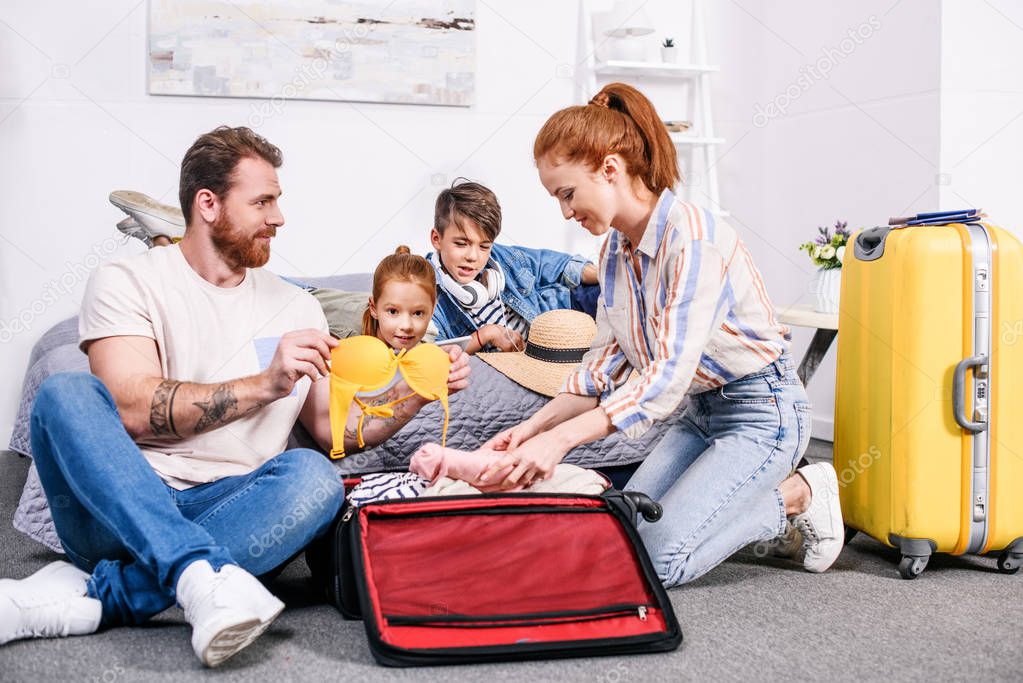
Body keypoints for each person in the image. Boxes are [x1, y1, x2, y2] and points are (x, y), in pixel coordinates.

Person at [0, 126, 470, 665]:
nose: (279, 218)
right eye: (263, 201)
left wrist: (414, 394)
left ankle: (117, 593)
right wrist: (266, 384)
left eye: (278, 201)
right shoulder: (126, 280)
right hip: (119, 511)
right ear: (208, 204)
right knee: (65, 392)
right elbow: (132, 410)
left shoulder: (297, 308)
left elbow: (335, 436)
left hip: (232, 509)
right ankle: (198, 574)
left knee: (316, 477)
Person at [479, 83, 844, 587]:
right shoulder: (613, 255)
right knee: (623, 535)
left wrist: (561, 442)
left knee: (658, 564)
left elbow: (667, 374)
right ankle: (744, 503)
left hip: (762, 412)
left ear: (610, 169)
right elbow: (605, 368)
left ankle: (799, 493)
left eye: (567, 194)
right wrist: (531, 430)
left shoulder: (693, 239)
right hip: (700, 412)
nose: (565, 211)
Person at [427, 179, 600, 353]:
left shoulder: (499, 258)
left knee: (604, 290)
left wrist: (602, 274)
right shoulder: (425, 292)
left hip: (552, 322)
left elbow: (552, 264)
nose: (473, 256)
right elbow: (432, 357)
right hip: (513, 362)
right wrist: (485, 335)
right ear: (437, 239)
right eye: (461, 244)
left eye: (484, 246)